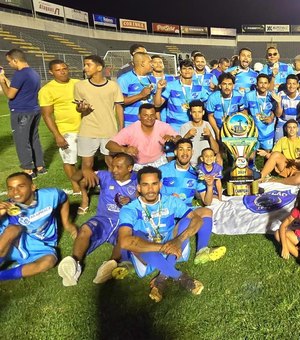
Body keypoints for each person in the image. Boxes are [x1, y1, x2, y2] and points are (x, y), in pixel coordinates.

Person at [118, 166, 205, 302]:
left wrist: (178, 239)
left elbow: (197, 219)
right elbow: (124, 241)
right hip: (148, 256)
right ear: (139, 187)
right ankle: (179, 277)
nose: (150, 189)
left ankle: (161, 279)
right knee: (136, 235)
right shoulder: (130, 209)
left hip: (175, 248)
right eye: (145, 185)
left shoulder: (171, 201)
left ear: (160, 185)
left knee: (186, 221)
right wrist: (163, 247)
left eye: (154, 184)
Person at [58, 153, 137, 286]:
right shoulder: (105, 175)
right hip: (103, 219)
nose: (114, 170)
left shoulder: (138, 178)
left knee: (124, 238)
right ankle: (74, 263)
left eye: (118, 167)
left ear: (129, 168)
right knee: (85, 229)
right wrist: (85, 170)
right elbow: (74, 177)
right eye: (113, 166)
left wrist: (132, 201)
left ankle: (110, 265)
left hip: (125, 222)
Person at [159, 139, 226, 263]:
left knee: (207, 211)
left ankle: (201, 251)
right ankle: (174, 251)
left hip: (186, 209)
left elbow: (207, 202)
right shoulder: (163, 170)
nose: (185, 153)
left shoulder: (196, 173)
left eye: (188, 149)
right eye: (181, 149)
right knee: (188, 219)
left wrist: (210, 186)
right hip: (166, 209)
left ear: (192, 152)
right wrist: (168, 198)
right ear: (175, 152)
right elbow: (152, 194)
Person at [0, 172, 77, 281]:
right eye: (10, 188)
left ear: (32, 187)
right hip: (8, 244)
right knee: (13, 229)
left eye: (20, 186)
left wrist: (67, 223)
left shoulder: (50, 195)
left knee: (49, 261)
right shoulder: (7, 207)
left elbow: (63, 198)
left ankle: (2, 276)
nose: (15, 192)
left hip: (40, 245)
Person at [74, 55, 124, 188]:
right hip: (87, 130)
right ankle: (84, 197)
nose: (85, 68)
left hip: (109, 130)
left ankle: (110, 189)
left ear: (99, 67)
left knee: (111, 163)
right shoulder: (80, 86)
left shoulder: (113, 86)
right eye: (84, 65)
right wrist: (81, 108)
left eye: (88, 65)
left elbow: (119, 106)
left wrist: (121, 128)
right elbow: (79, 107)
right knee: (87, 166)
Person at [0, 49, 45, 178]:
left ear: (15, 60)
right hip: (34, 110)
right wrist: (4, 78)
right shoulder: (33, 73)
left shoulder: (20, 74)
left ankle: (28, 170)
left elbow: (10, 94)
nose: (9, 64)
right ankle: (40, 166)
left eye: (9, 61)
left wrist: (2, 82)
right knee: (33, 138)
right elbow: (16, 87)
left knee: (21, 141)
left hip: (21, 112)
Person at [39, 60, 81, 194]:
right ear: (51, 72)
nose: (62, 71)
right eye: (58, 70)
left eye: (64, 68)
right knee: (70, 161)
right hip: (66, 131)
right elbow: (46, 115)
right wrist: (57, 135)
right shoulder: (47, 90)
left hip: (86, 128)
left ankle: (89, 181)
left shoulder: (78, 83)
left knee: (89, 159)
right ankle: (75, 186)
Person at [106, 103, 180, 171]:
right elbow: (109, 145)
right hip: (137, 165)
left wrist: (173, 138)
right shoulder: (131, 129)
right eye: (145, 115)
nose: (149, 118)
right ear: (139, 116)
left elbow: (179, 138)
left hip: (159, 162)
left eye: (152, 115)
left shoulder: (163, 126)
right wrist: (125, 149)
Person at [154, 59, 209, 132]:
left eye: (190, 68)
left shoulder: (199, 88)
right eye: (184, 68)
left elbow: (208, 104)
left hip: (192, 125)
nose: (187, 71)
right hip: (174, 126)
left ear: (193, 71)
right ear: (180, 71)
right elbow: (157, 104)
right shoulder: (171, 86)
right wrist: (159, 89)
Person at [117, 52, 154, 127]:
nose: (152, 64)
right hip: (131, 124)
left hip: (149, 123)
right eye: (150, 62)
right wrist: (140, 95)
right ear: (142, 63)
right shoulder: (124, 79)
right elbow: (120, 101)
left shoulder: (152, 78)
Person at [179, 100, 220, 166]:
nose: (197, 115)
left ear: (203, 112)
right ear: (190, 113)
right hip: (190, 165)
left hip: (206, 165)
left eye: (199, 112)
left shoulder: (208, 125)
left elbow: (216, 150)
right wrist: (187, 136)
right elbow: (179, 149)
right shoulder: (185, 127)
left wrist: (210, 136)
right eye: (194, 112)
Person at [207, 72, 245, 141]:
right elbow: (210, 116)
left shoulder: (238, 96)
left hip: (234, 129)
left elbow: (243, 112)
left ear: (233, 86)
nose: (227, 87)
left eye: (230, 84)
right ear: (220, 86)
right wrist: (217, 131)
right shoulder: (212, 98)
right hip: (218, 127)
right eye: (224, 84)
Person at [244, 73, 276, 153]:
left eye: (265, 83)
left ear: (268, 85)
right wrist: (248, 122)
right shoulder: (249, 96)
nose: (263, 85)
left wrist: (271, 118)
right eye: (261, 83)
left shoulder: (272, 96)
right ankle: (252, 166)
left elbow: (275, 111)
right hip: (253, 129)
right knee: (251, 154)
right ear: (257, 84)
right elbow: (244, 110)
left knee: (267, 153)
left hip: (267, 129)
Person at [272, 74, 300, 142]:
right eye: (289, 83)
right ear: (286, 84)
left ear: (297, 85)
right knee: (278, 142)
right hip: (283, 121)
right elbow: (278, 115)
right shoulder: (281, 94)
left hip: (297, 122)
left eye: (294, 84)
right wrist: (278, 103)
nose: (291, 86)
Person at [149, 55, 176, 122]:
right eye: (155, 62)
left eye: (160, 62)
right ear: (151, 64)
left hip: (169, 113)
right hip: (153, 112)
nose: (158, 64)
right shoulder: (148, 79)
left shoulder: (172, 79)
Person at [274, 190, 300, 260]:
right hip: (297, 237)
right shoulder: (296, 211)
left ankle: (294, 250)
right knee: (277, 233)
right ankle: (297, 255)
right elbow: (283, 226)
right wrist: (284, 247)